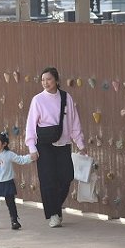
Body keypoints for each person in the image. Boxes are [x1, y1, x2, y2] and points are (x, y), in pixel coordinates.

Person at [25, 67, 86, 228]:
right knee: (48, 180)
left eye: (49, 79)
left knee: (67, 177)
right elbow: (31, 125)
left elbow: (74, 122)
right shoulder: (38, 100)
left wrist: (80, 143)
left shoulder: (66, 97)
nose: (45, 83)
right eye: (43, 80)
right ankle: (54, 214)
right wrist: (32, 147)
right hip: (44, 145)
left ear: (57, 80)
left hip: (63, 143)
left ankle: (55, 207)